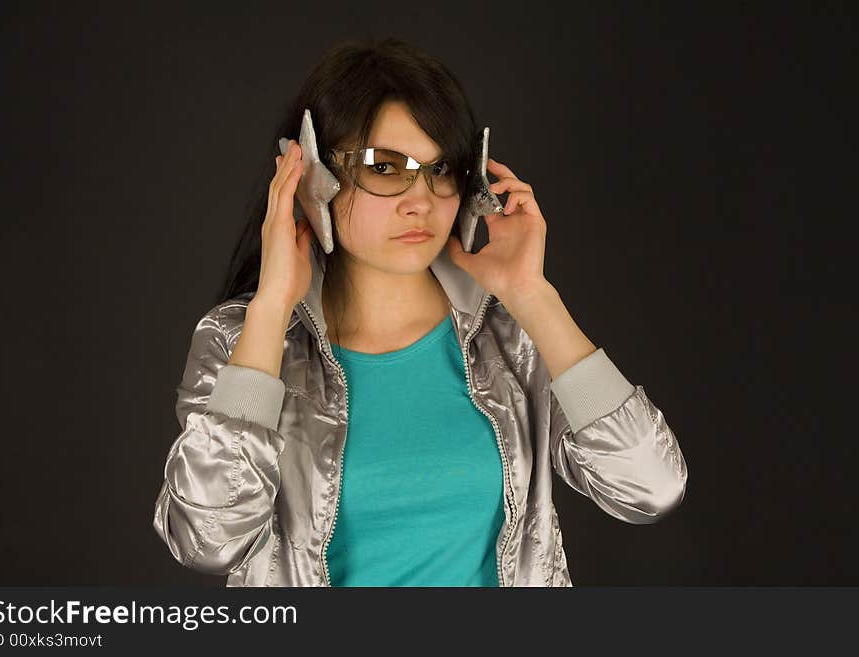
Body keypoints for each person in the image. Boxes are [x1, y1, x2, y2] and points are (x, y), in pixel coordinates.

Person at [152, 37, 688, 587]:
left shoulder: (507, 334)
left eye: (442, 170)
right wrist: (270, 307)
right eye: (384, 167)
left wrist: (531, 294)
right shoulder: (242, 339)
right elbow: (206, 538)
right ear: (309, 173)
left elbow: (649, 486)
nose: (422, 200)